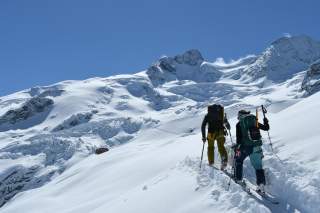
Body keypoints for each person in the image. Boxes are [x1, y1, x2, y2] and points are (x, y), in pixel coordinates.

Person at [234, 110, 269, 194]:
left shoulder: (239, 124)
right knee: (258, 166)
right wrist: (266, 121)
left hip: (246, 147)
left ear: (240, 116)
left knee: (238, 160)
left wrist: (237, 148)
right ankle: (261, 186)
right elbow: (266, 128)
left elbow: (239, 139)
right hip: (257, 146)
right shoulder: (254, 121)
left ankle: (239, 180)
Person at [201, 104, 231, 170]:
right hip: (220, 132)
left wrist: (203, 137)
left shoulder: (207, 115)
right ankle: (224, 161)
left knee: (210, 147)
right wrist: (228, 126)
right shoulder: (221, 114)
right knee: (221, 147)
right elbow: (226, 123)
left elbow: (203, 125)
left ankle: (211, 162)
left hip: (211, 133)